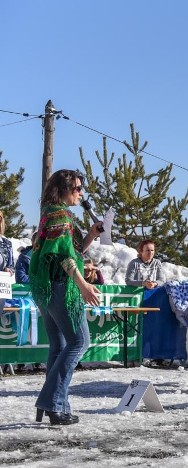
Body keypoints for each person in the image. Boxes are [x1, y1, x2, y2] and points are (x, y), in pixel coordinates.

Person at [29, 169, 102, 426]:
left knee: (59, 346)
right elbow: (63, 259)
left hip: (48, 289)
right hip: (61, 288)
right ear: (63, 188)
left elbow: (71, 252)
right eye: (77, 188)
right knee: (79, 342)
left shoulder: (50, 214)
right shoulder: (60, 216)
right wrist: (83, 285)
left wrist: (91, 235)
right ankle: (50, 402)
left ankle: (56, 405)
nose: (80, 193)